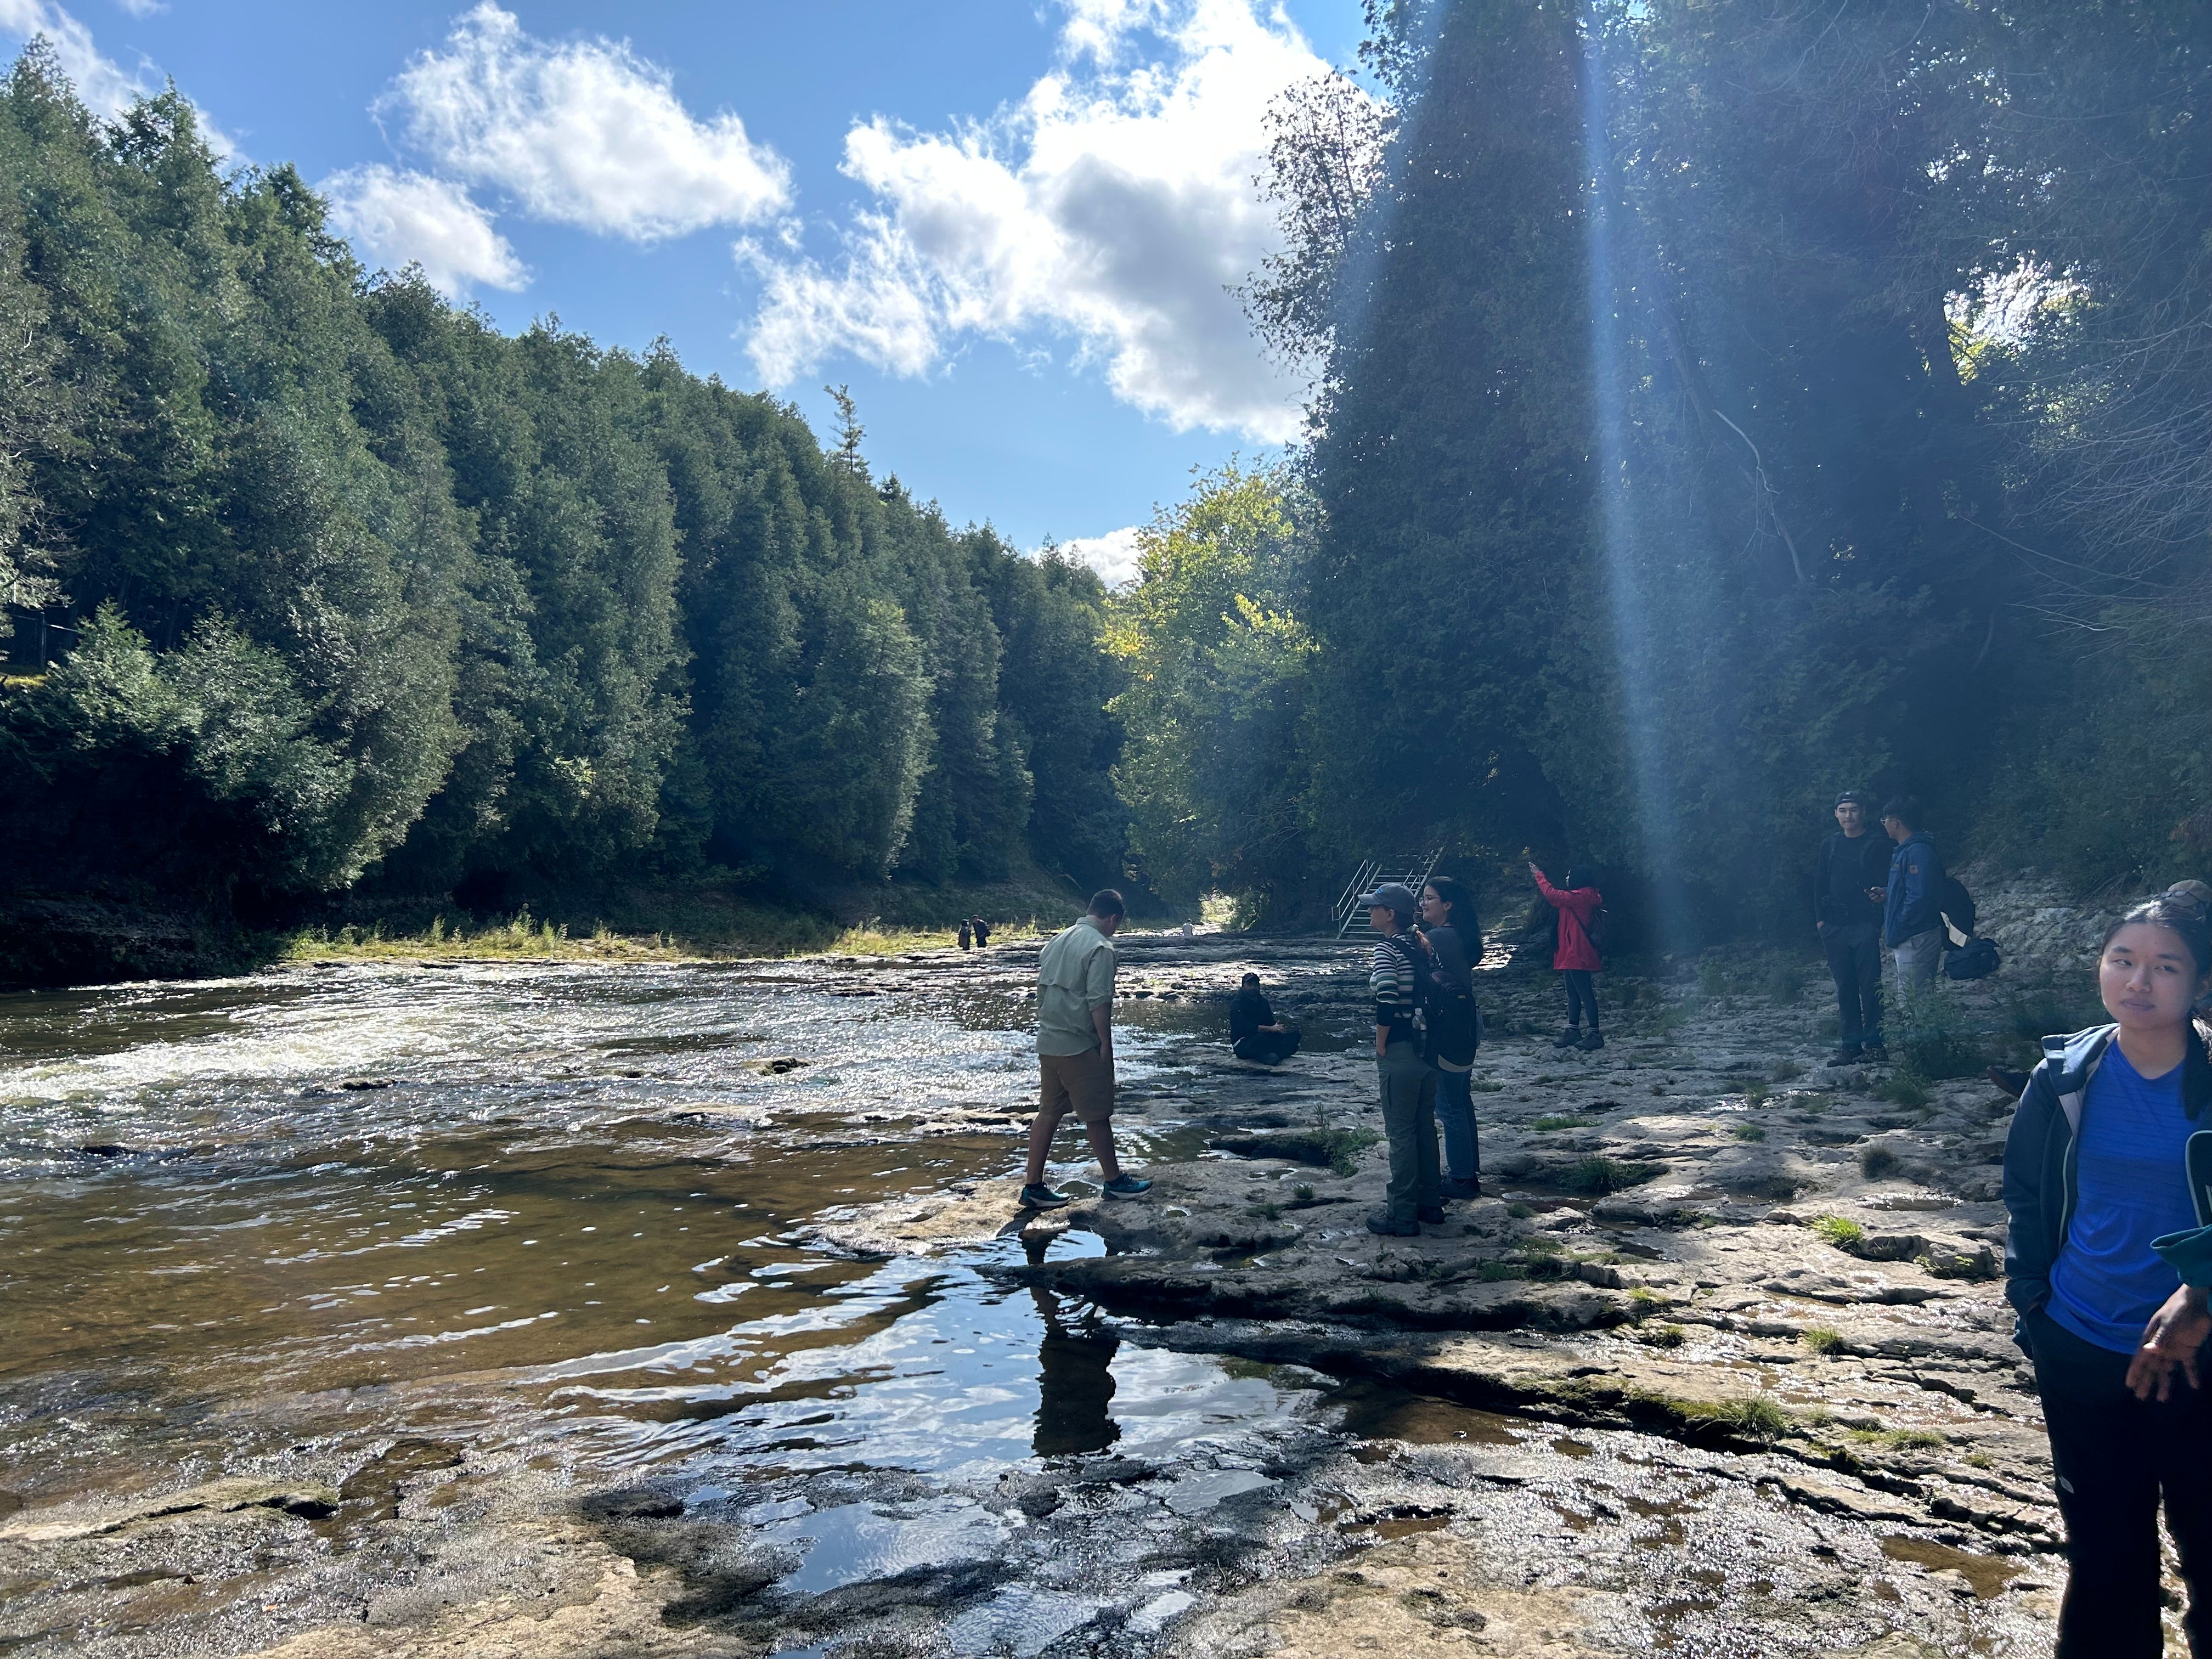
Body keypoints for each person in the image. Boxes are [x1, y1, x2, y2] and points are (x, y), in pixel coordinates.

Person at [2002, 891, 2212, 1656]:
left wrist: (2204, 1296)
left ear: (2200, 983)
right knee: (2104, 1556)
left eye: (2166, 966)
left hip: (2201, 1359)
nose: (2139, 981)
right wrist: (2033, 1304)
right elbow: (2026, 1194)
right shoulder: (2063, 1077)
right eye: (2123, 960)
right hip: (2082, 1347)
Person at [1022, 890, 1151, 1210]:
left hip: (1049, 1043)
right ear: (1112, 919)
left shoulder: (1058, 940)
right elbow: (1099, 1002)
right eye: (1116, 925)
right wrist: (1106, 1047)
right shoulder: (1100, 947)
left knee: (1049, 1113)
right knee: (1097, 1115)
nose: (1115, 930)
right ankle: (1115, 1182)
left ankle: (1033, 1187)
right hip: (1079, 1045)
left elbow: (1040, 994)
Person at [1361, 881, 1442, 1237]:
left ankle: (1402, 1215)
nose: (1369, 912)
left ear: (1390, 915)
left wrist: (1380, 1043)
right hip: (1430, 1051)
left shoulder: (1385, 950)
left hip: (1400, 1049)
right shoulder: (1424, 945)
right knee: (1424, 1127)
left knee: (1401, 1134)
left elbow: (1388, 999)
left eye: (1374, 907)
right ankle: (1430, 1205)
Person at [1418, 876, 1483, 1198]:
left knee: (1448, 1105)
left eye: (1430, 898)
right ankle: (1469, 1171)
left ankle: (1461, 1179)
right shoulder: (1460, 935)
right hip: (1468, 1023)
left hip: (1449, 1028)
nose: (1423, 903)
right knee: (1461, 1099)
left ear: (1448, 905)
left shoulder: (1436, 938)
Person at [1816, 791, 1893, 1065]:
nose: (1849, 816)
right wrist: (1821, 921)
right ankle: (1850, 1045)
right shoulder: (1830, 846)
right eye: (1843, 810)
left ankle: (1874, 1042)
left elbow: (1888, 882)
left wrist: (1875, 922)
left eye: (1854, 810)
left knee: (1871, 985)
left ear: (1863, 813)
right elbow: (1819, 884)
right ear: (1836, 814)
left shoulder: (1878, 844)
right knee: (1845, 987)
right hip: (1834, 927)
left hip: (1864, 925)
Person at [1530, 863, 1605, 1051]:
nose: (1567, 879)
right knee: (1574, 993)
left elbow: (1552, 895)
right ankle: (1574, 1030)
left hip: (1577, 952)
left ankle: (1595, 1034)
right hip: (1572, 951)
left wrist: (1540, 875)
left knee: (1584, 993)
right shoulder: (1582, 897)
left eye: (1570, 875)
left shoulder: (1579, 897)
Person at [1881, 795, 1946, 997]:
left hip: (1916, 937)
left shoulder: (1918, 851)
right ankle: (1916, 1029)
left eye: (1885, 821)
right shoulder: (1905, 851)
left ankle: (1920, 1030)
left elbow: (1920, 896)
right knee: (1910, 996)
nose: (1884, 825)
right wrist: (1887, 894)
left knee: (1915, 998)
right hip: (1910, 936)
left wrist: (1902, 924)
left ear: (1896, 823)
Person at [1229, 973, 1300, 1064]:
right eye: (1250, 985)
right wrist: (1271, 1029)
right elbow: (1244, 1027)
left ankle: (1273, 1056)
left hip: (1264, 1037)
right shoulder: (1237, 1004)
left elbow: (1269, 1023)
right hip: (1243, 1042)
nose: (1253, 988)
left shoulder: (1263, 1002)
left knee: (1294, 1036)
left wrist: (1278, 1028)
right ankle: (1273, 1055)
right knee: (1261, 1040)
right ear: (1243, 986)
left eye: (1255, 985)